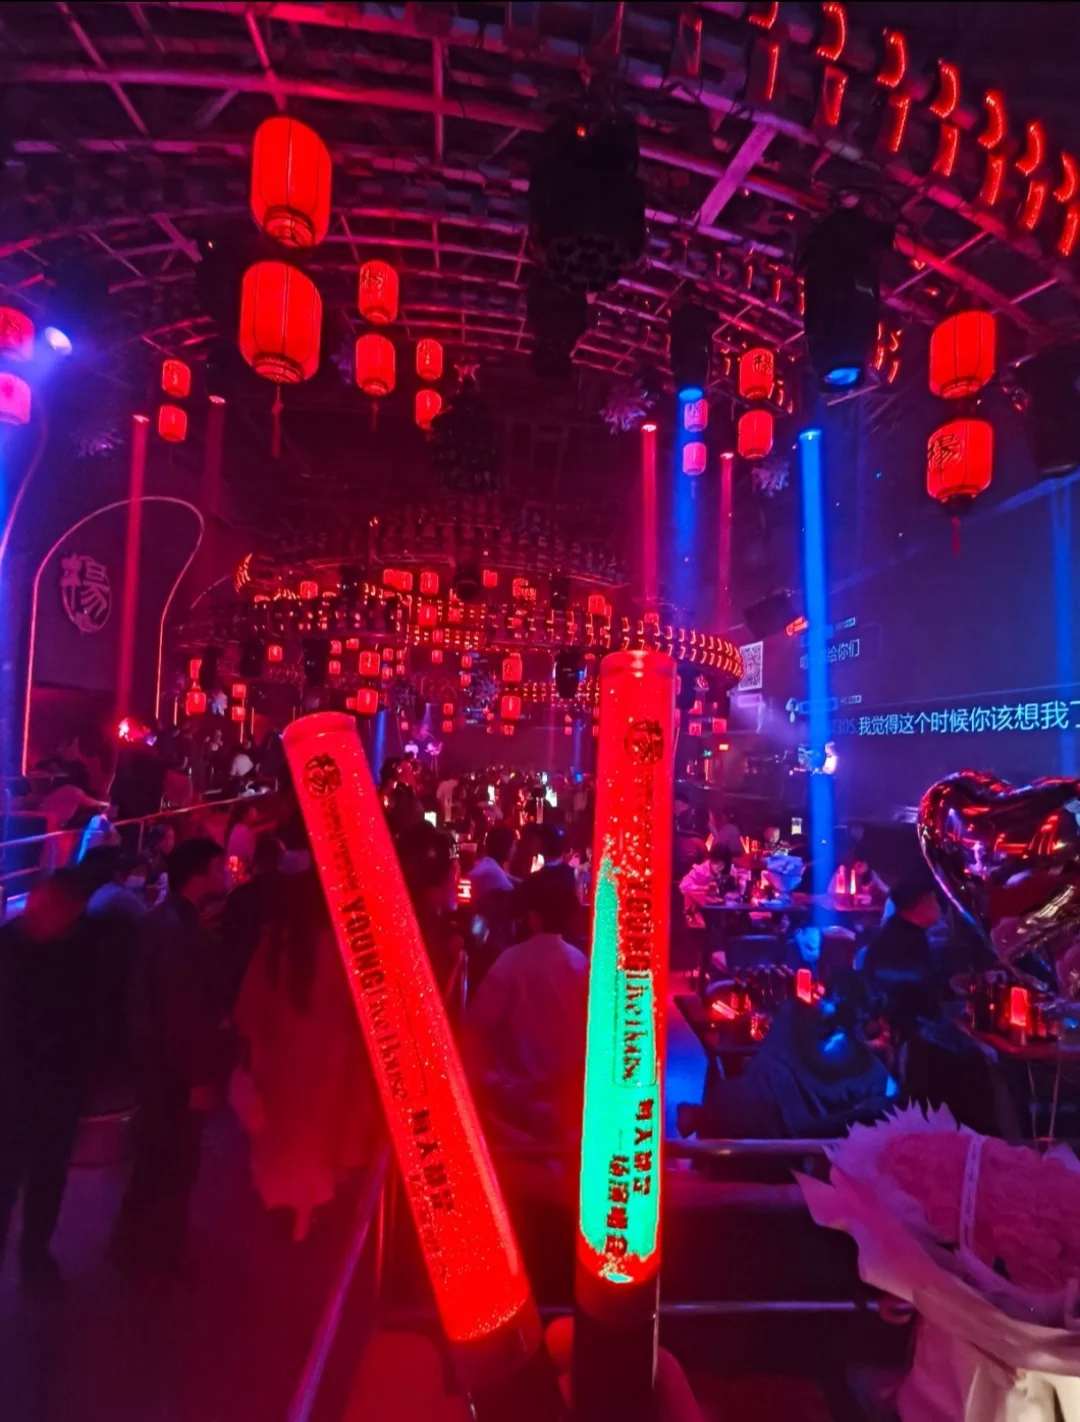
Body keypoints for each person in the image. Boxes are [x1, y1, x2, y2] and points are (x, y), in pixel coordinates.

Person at [233, 870, 376, 1238]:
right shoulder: (346, 947)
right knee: (322, 1141)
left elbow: (250, 1009)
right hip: (332, 1064)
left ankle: (283, 1210)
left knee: (282, 1140)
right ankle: (311, 1211)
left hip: (280, 1063)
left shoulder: (274, 946)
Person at [113, 838, 228, 1272]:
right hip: (174, 1074)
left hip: (154, 1066)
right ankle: (160, 1256)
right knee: (174, 1163)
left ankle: (133, 1246)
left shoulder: (163, 921)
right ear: (199, 876)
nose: (226, 875)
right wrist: (199, 1079)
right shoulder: (180, 934)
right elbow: (184, 1013)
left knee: (153, 1160)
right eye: (219, 868)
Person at [0, 872, 101, 1292]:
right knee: (34, 1179)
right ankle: (35, 1259)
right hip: (34, 1090)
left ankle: (35, 1256)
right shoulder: (77, 953)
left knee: (41, 1180)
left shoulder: (16, 946)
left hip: (40, 1090)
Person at [463, 868, 588, 1152]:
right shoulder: (580, 962)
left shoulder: (511, 961)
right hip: (566, 1099)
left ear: (533, 917)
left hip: (514, 1104)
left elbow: (475, 1023)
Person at [221, 832, 285, 1009]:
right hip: (280, 971)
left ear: (255, 861)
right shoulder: (291, 893)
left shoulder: (240, 895)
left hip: (244, 973)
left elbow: (227, 940)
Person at [862, 881, 941, 996]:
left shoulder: (908, 930)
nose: (938, 908)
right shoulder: (900, 940)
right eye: (933, 902)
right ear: (917, 907)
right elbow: (919, 984)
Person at [468, 825, 518, 897]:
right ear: (505, 847)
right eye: (513, 845)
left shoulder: (488, 864)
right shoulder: (493, 871)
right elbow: (512, 895)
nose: (515, 849)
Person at [225, 799, 261, 878]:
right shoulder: (245, 832)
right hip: (239, 875)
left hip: (233, 873)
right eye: (252, 812)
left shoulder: (237, 829)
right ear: (244, 816)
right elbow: (252, 857)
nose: (255, 814)